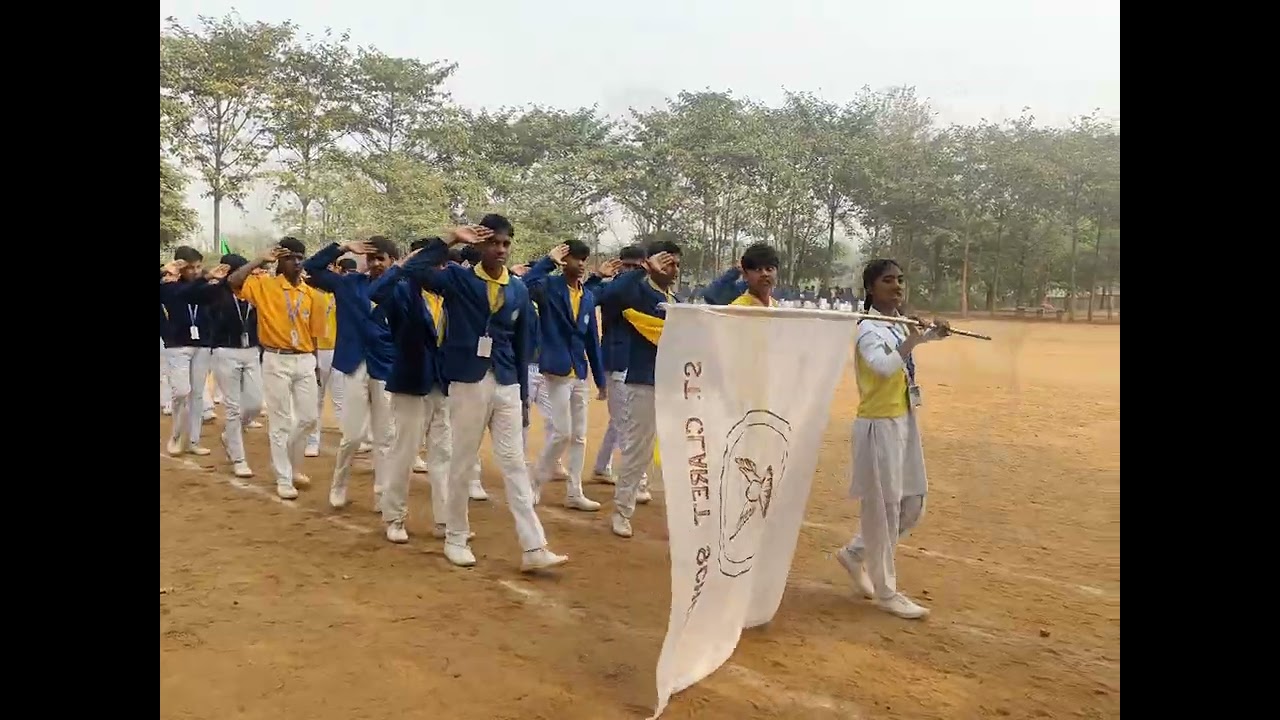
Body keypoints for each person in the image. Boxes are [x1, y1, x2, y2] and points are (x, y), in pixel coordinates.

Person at [402, 216, 567, 572]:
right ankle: (455, 538)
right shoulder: (459, 278)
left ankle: (533, 546)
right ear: (478, 246)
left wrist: (522, 397)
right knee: (462, 462)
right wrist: (448, 239)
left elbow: (523, 346)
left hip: (506, 381)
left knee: (514, 464)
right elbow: (414, 269)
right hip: (468, 381)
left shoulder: (518, 289)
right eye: (494, 242)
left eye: (506, 243)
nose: (501, 249)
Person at [835, 259, 951, 620]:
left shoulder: (896, 325)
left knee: (912, 503)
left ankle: (855, 553)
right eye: (888, 281)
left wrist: (935, 333)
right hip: (878, 427)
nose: (898, 285)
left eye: (901, 279)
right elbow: (884, 367)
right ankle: (886, 591)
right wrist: (916, 337)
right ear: (871, 289)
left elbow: (910, 347)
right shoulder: (870, 329)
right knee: (882, 511)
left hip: (902, 419)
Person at [368, 238, 454, 543]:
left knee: (443, 455)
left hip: (442, 384)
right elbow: (376, 292)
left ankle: (446, 520)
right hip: (410, 382)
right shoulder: (402, 290)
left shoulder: (447, 295)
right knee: (404, 453)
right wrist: (403, 264)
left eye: (444, 264)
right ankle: (394, 517)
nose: (441, 270)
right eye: (435, 264)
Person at [303, 238, 398, 512]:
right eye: (372, 258)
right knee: (353, 436)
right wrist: (342, 247)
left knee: (385, 437)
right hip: (353, 364)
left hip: (385, 366)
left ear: (392, 261)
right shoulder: (348, 283)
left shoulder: (400, 289)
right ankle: (339, 484)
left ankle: (382, 494)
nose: (376, 264)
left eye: (381, 258)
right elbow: (312, 267)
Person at [227, 239, 326, 499]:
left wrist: (314, 364)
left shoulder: (312, 294)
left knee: (309, 419)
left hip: (305, 359)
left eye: (299, 257)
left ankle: (287, 464)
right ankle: (284, 477)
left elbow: (314, 334)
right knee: (280, 422)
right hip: (275, 358)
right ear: (280, 260)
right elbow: (234, 282)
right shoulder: (264, 286)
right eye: (290, 257)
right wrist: (260, 259)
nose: (296, 261)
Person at [596, 241, 682, 538]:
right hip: (643, 381)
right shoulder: (638, 292)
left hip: (673, 384)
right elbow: (611, 296)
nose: (672, 270)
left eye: (676, 264)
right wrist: (643, 270)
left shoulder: (677, 301)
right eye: (667, 262)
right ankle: (622, 511)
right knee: (637, 451)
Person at [521, 241, 608, 512]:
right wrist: (548, 260)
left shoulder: (588, 296)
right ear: (563, 261)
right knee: (562, 432)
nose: (580, 264)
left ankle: (574, 491)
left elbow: (592, 339)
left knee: (580, 436)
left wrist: (600, 379)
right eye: (574, 259)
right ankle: (535, 482)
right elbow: (526, 284)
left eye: (584, 259)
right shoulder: (549, 287)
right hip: (555, 370)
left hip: (579, 371)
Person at [589, 246, 645, 485]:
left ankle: (602, 466)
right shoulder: (609, 288)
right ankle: (636, 478)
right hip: (615, 362)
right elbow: (587, 297)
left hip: (637, 362)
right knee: (625, 420)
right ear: (619, 264)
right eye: (627, 266)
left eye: (636, 266)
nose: (630, 271)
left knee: (619, 419)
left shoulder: (647, 290)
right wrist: (597, 276)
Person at [206, 254, 264, 478]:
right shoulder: (217, 293)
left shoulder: (254, 292)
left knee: (254, 405)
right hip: (225, 351)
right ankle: (238, 458)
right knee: (232, 407)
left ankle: (230, 435)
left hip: (251, 351)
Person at [159, 246, 216, 457]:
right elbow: (185, 293)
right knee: (181, 391)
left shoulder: (204, 286)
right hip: (177, 345)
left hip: (202, 344)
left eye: (198, 267)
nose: (195, 271)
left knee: (198, 394)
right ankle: (176, 436)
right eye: (190, 267)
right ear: (180, 266)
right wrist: (164, 270)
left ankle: (193, 440)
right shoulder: (168, 286)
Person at [306, 259, 346, 457]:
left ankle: (348, 437)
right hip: (316, 350)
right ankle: (312, 441)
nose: (329, 270)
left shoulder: (339, 293)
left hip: (337, 350)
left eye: (332, 267)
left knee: (340, 398)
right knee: (316, 399)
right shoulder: (310, 294)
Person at [702, 243, 779, 307]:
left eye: (769, 269)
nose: (764, 274)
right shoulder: (738, 309)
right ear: (745, 275)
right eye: (758, 270)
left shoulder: (775, 305)